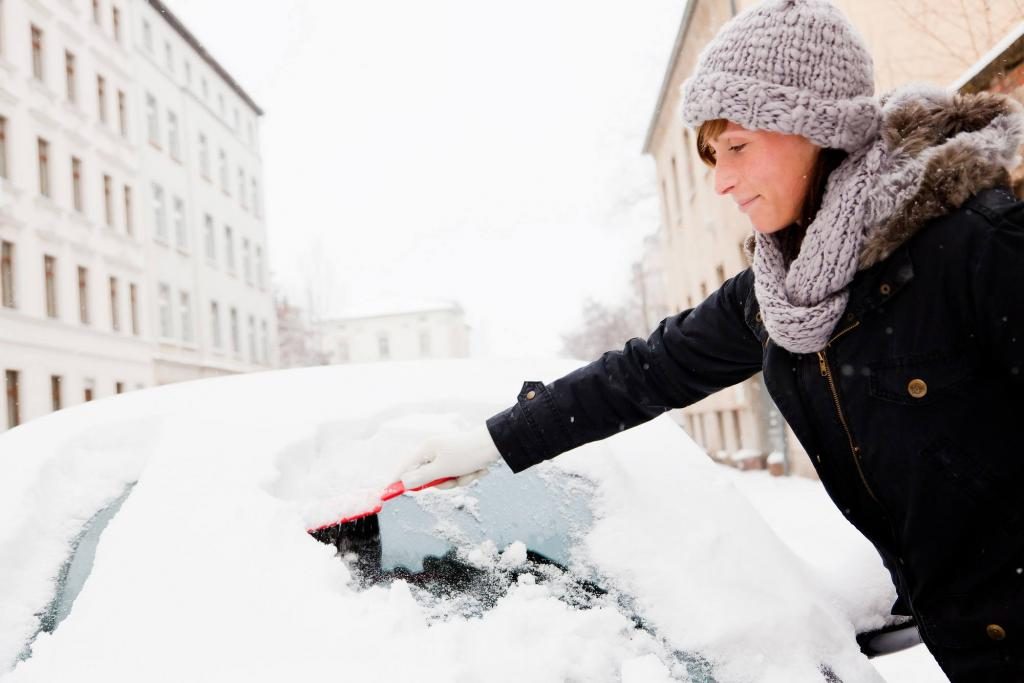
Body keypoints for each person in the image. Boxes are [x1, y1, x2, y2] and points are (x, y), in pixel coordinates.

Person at [399, 0, 1024, 678]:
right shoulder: (780, 293)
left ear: (814, 127)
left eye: (737, 148)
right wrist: (491, 442)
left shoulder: (977, 249)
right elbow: (643, 373)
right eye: (710, 157)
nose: (721, 181)